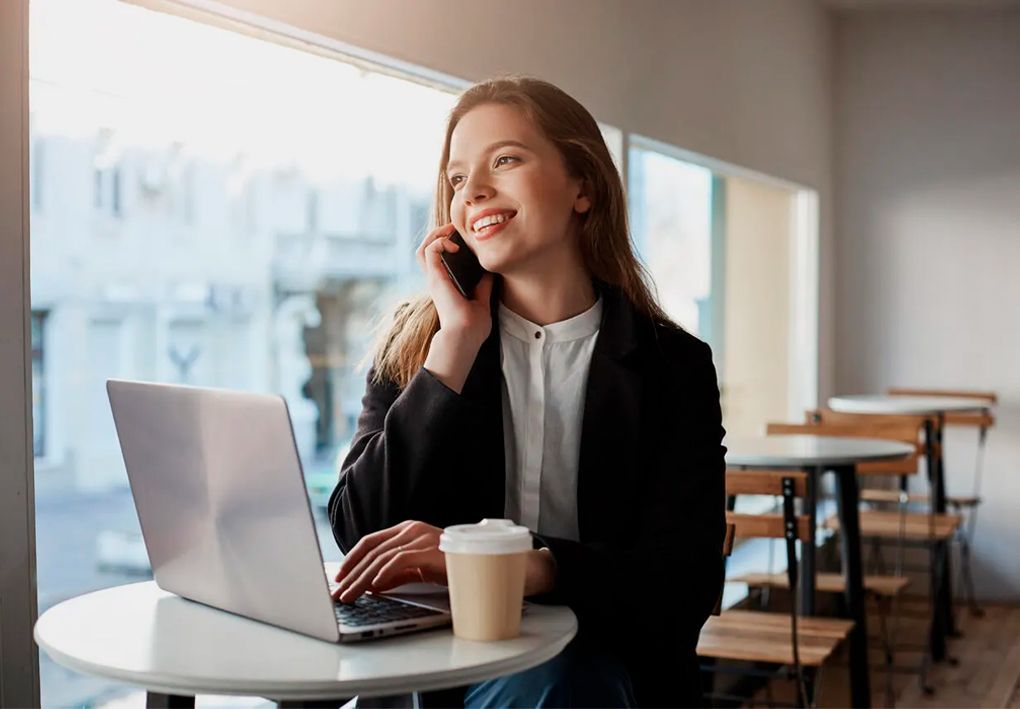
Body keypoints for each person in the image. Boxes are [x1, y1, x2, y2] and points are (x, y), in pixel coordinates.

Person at [327, 75, 726, 708]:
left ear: (583, 188)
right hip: (438, 672)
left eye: (505, 160)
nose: (474, 190)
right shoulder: (420, 347)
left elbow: (683, 582)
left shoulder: (672, 367)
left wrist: (529, 566)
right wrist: (453, 348)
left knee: (563, 683)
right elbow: (359, 529)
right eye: (457, 178)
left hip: (603, 668)